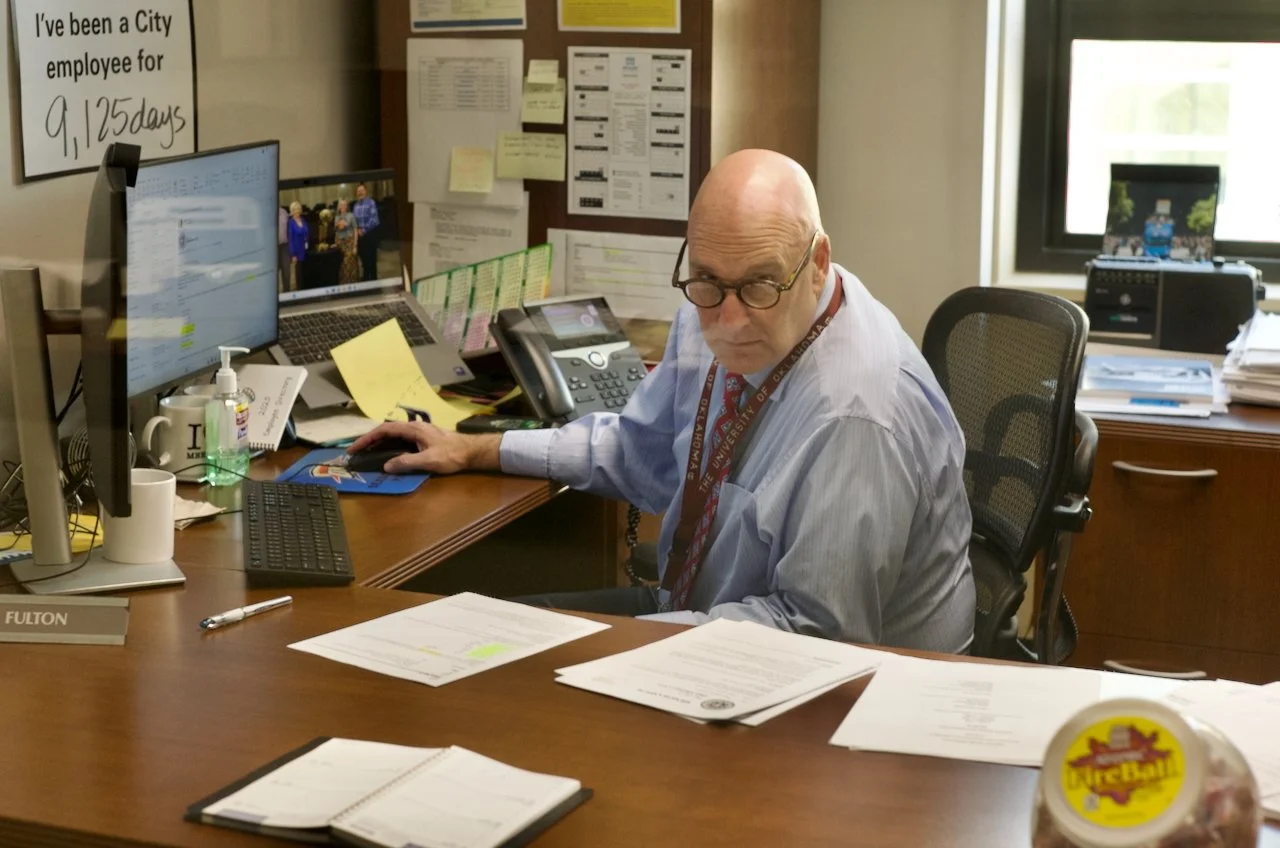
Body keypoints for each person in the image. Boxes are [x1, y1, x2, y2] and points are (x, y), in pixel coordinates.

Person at [351, 149, 975, 652]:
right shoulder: (716, 299)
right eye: (705, 281)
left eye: (758, 285)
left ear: (817, 263)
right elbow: (639, 447)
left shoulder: (856, 417)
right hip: (700, 615)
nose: (727, 320)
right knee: (473, 639)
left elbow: (815, 636)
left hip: (840, 696)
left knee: (531, 673)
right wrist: (479, 448)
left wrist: (629, 648)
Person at [352, 183, 381, 281]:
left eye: (361, 190)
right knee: (364, 261)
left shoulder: (371, 203)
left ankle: (373, 282)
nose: (360, 192)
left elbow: (375, 220)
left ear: (365, 191)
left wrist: (363, 230)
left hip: (370, 235)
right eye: (358, 191)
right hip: (360, 236)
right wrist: (357, 230)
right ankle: (366, 280)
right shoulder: (355, 206)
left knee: (371, 261)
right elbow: (354, 221)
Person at [334, 198, 360, 285]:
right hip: (340, 243)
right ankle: (344, 285)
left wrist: (355, 245)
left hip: (350, 242)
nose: (343, 206)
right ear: (339, 207)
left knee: (350, 264)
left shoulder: (351, 215)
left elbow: (355, 230)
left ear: (347, 206)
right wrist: (336, 243)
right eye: (341, 205)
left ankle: (353, 284)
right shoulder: (337, 217)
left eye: (345, 205)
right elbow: (336, 231)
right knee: (342, 265)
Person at [286, 201, 308, 292]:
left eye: (298, 209)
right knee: (298, 273)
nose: (297, 211)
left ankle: (305, 289)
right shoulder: (290, 222)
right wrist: (293, 254)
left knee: (305, 272)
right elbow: (290, 239)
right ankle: (299, 291)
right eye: (295, 209)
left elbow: (307, 232)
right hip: (297, 251)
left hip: (305, 250)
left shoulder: (303, 220)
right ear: (292, 211)